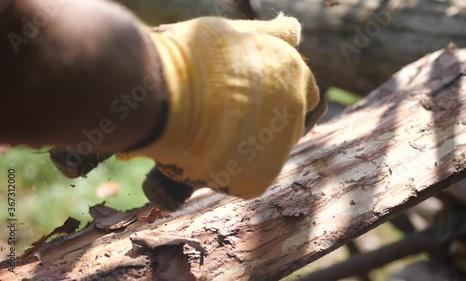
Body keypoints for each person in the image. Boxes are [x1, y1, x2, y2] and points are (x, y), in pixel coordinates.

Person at [0, 0, 326, 209]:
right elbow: (290, 30)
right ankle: (172, 178)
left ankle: (172, 180)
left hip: (227, 156)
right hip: (217, 59)